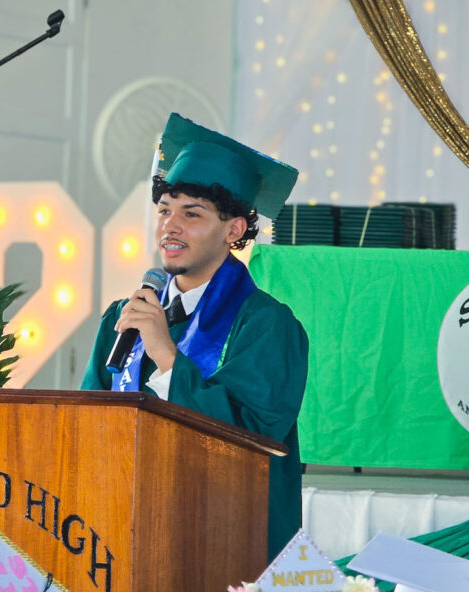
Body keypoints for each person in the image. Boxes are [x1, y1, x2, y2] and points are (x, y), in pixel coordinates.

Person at [81, 113, 308, 560]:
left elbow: (253, 438)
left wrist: (167, 358)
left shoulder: (267, 325)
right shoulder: (124, 319)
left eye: (192, 214)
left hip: (224, 539)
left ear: (234, 230)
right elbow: (88, 425)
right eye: (165, 211)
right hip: (126, 528)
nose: (171, 226)